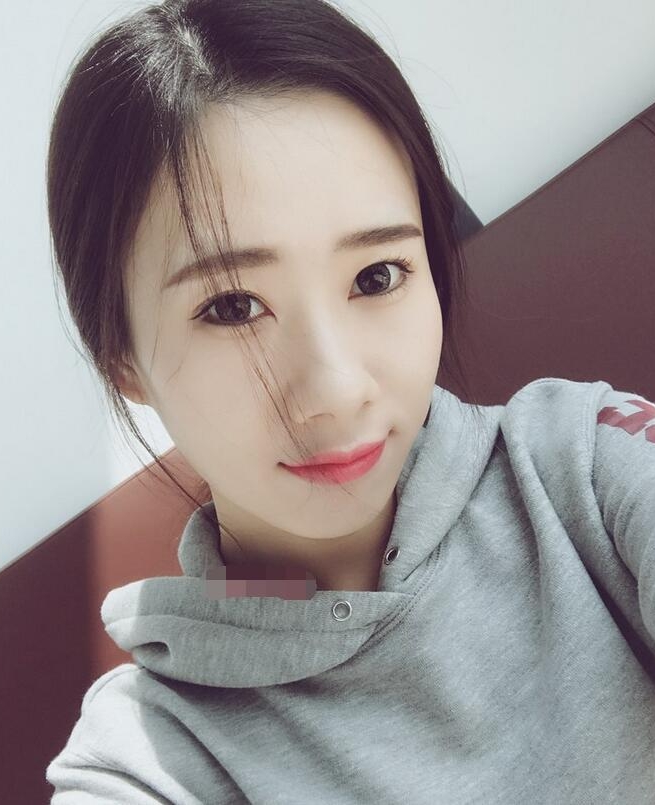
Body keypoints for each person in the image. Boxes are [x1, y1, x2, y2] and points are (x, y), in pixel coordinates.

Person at [45, 0, 655, 802]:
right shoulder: (151, 756)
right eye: (232, 306)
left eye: (376, 276)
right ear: (121, 358)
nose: (334, 391)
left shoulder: (583, 464)